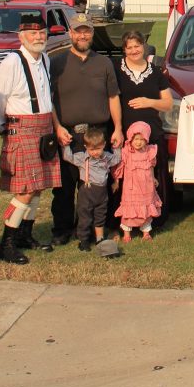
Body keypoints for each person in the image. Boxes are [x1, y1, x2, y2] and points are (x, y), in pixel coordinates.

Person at [0, 12, 62, 264]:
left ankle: (24, 235)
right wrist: (4, 129)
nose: (38, 37)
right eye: (33, 33)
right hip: (21, 129)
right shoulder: (12, 62)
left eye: (42, 33)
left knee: (39, 186)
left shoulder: (44, 58)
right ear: (22, 36)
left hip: (43, 128)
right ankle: (6, 243)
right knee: (25, 189)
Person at [50, 13, 123, 246]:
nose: (83, 35)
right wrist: (57, 126)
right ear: (70, 33)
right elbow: (48, 99)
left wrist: (118, 128)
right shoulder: (56, 63)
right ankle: (62, 228)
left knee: (96, 185)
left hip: (98, 133)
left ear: (92, 33)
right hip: (67, 134)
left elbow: (113, 98)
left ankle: (95, 228)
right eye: (78, 31)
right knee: (64, 185)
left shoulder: (104, 63)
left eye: (87, 31)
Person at [114, 30, 173, 223]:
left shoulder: (156, 72)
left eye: (137, 46)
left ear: (144, 47)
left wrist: (149, 102)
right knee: (127, 178)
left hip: (152, 133)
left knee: (151, 176)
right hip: (126, 133)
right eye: (129, 47)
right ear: (124, 50)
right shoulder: (117, 70)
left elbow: (168, 104)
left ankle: (153, 218)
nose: (134, 50)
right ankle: (127, 220)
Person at [61, 126, 121, 251]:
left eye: (98, 148)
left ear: (104, 145)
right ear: (85, 146)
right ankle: (84, 240)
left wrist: (117, 147)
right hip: (87, 192)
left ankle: (100, 238)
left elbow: (117, 159)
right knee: (85, 217)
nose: (95, 152)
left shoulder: (107, 157)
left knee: (100, 216)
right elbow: (68, 157)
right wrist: (65, 145)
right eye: (92, 149)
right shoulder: (83, 158)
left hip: (102, 193)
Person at [113, 121, 162, 242]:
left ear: (146, 139)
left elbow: (151, 167)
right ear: (130, 139)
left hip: (146, 186)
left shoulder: (149, 152)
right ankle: (126, 233)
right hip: (131, 187)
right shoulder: (126, 152)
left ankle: (146, 232)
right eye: (135, 139)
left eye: (141, 139)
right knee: (129, 210)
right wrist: (116, 182)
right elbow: (120, 168)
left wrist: (153, 178)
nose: (138, 142)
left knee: (145, 208)